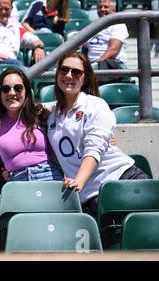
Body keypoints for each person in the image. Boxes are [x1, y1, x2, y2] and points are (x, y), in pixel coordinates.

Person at [46, 51, 151, 214]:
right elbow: (33, 107)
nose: (69, 75)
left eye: (76, 72)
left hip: (122, 181)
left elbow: (94, 149)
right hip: (91, 197)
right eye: (64, 70)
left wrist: (78, 182)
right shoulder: (52, 113)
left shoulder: (96, 105)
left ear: (85, 77)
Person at [0, 68, 63, 183]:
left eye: (18, 88)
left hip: (49, 174)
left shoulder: (40, 113)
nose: (12, 93)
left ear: (26, 91)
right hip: (17, 179)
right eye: (6, 89)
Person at [84, 0, 129, 70]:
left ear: (114, 10)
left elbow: (113, 50)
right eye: (99, 7)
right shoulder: (93, 26)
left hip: (112, 65)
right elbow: (83, 45)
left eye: (106, 7)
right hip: (93, 66)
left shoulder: (118, 25)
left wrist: (95, 64)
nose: (102, 9)